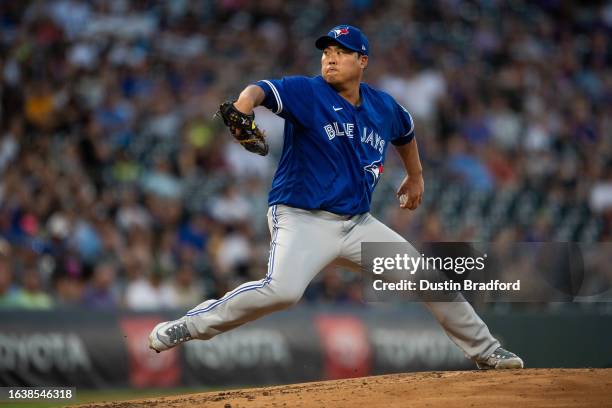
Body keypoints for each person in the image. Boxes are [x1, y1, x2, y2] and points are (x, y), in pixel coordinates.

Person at [149, 25, 523, 369]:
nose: (330, 56)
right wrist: (244, 106)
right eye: (326, 50)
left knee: (427, 278)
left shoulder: (383, 106)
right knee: (282, 291)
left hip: (357, 225)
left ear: (362, 61)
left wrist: (416, 175)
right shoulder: (309, 92)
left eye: (341, 51)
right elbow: (260, 89)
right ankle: (190, 324)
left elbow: (405, 132)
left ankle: (486, 351)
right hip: (302, 218)